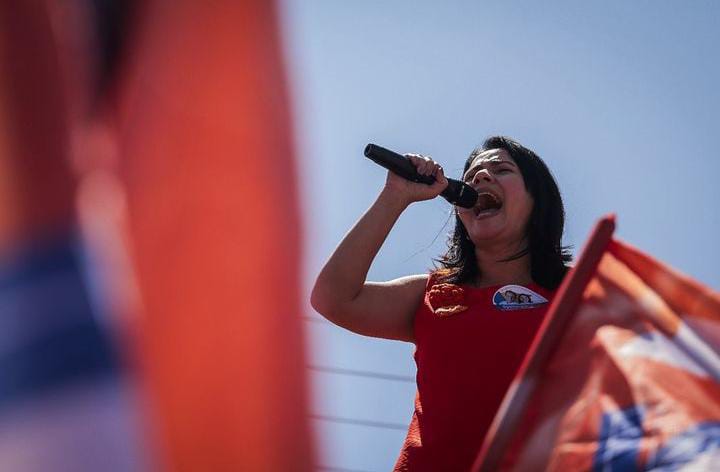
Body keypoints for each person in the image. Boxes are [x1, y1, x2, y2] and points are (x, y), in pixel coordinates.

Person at [311, 136, 571, 471]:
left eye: (501, 169)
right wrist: (396, 196)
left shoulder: (581, 289)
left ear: (539, 200)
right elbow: (333, 298)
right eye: (473, 175)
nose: (480, 178)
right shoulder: (432, 293)